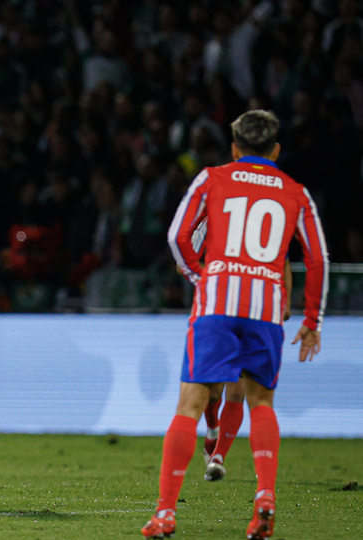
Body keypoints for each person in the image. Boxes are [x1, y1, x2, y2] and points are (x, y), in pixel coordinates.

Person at [142, 110, 328, 539]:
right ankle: (264, 498)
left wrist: (198, 276)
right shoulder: (296, 192)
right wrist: (313, 318)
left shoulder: (211, 178)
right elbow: (317, 258)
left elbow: (177, 236)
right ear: (276, 150)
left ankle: (166, 513)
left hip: (217, 301)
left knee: (189, 403)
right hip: (266, 308)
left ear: (234, 147)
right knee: (261, 402)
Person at [202, 260, 292, 483]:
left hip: (255, 313)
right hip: (219, 312)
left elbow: (285, 261)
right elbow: (184, 260)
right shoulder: (212, 225)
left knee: (237, 390)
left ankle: (218, 458)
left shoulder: (271, 226)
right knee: (212, 392)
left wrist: (286, 299)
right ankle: (213, 428)